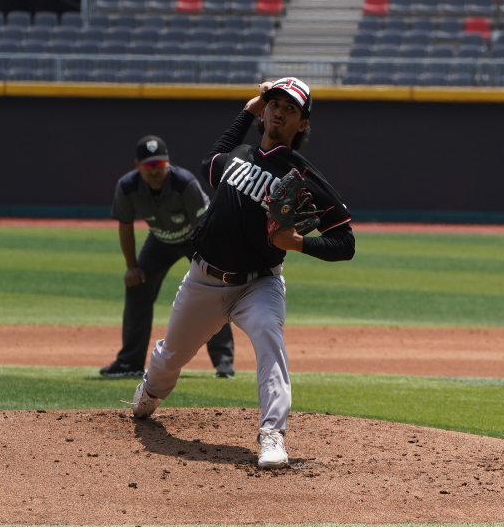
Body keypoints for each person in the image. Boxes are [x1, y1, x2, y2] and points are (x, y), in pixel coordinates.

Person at [129, 78, 355, 469]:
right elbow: (210, 161)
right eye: (273, 105)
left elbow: (345, 242)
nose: (279, 112)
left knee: (269, 337)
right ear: (264, 112)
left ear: (302, 124)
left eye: (290, 109)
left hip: (259, 283)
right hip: (204, 279)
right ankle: (150, 391)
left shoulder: (302, 175)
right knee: (170, 356)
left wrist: (299, 244)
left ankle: (272, 435)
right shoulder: (239, 155)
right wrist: (247, 109)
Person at [100, 135, 236, 379]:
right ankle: (130, 362)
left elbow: (204, 228)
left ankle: (223, 362)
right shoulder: (127, 187)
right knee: (137, 285)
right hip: (160, 241)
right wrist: (132, 267)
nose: (154, 170)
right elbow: (125, 226)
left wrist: (211, 267)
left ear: (168, 163)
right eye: (149, 165)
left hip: (197, 240)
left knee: (213, 291)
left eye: (159, 165)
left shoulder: (184, 183)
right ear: (137, 166)